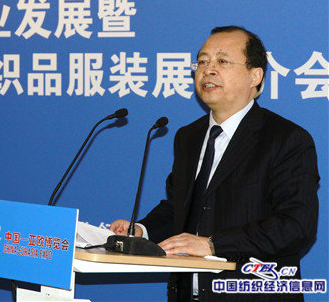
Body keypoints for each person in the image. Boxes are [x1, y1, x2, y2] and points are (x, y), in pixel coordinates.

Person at [111, 26, 319, 302]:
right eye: (202, 62)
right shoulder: (188, 137)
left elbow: (295, 226)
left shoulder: (286, 139)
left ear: (255, 76)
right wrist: (142, 230)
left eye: (222, 61)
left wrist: (212, 244)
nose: (208, 70)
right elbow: (181, 208)